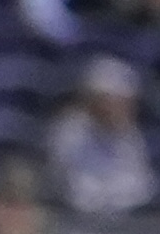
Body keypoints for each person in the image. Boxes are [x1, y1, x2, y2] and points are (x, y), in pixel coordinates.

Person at [47, 55, 155, 223]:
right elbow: (76, 192)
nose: (122, 110)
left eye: (126, 103)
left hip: (126, 226)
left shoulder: (131, 136)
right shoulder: (69, 132)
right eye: (114, 102)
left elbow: (141, 188)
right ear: (94, 101)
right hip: (78, 225)